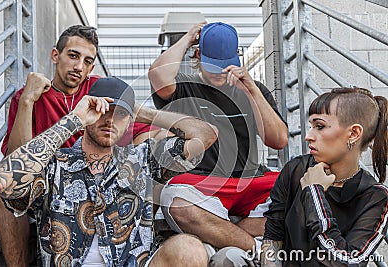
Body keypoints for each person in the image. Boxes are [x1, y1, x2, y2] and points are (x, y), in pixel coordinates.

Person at [0, 77, 217, 266]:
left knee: (189, 249)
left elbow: (206, 136)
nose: (109, 119)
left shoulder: (142, 159)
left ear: (129, 122)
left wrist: (141, 112)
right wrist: (74, 120)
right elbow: (3, 181)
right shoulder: (55, 164)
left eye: (120, 114)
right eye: (103, 110)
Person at [148, 21, 288, 262]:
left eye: (225, 65)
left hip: (249, 181)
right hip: (202, 184)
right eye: (212, 64)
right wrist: (188, 37)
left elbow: (279, 140)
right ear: (198, 54)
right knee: (174, 200)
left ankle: (225, 235)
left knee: (300, 187)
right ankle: (257, 250)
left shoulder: (253, 90)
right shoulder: (185, 86)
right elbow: (158, 76)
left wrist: (252, 91)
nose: (219, 71)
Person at [0, 24, 101, 267]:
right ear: (56, 55)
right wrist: (28, 100)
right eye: (73, 56)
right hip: (46, 188)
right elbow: (14, 161)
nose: (78, 67)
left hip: (91, 186)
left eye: (87, 61)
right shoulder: (29, 97)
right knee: (5, 189)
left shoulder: (96, 90)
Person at [261, 87, 388, 266]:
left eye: (319, 126)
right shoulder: (296, 169)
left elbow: (346, 262)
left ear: (353, 134)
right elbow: (273, 238)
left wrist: (314, 192)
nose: (308, 136)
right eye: (311, 126)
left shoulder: (375, 196)